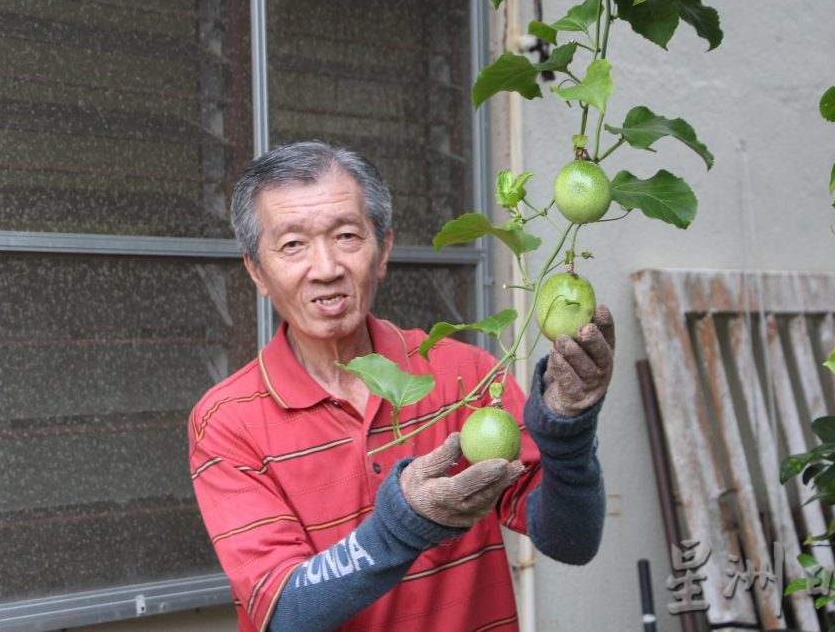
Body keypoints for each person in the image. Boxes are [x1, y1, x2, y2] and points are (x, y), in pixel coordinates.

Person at [188, 141, 614, 632]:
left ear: (383, 250)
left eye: (347, 235)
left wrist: (568, 431)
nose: (325, 268)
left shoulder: (465, 373)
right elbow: (284, 612)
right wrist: (400, 526)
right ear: (256, 272)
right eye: (292, 245)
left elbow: (571, 541)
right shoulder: (226, 421)